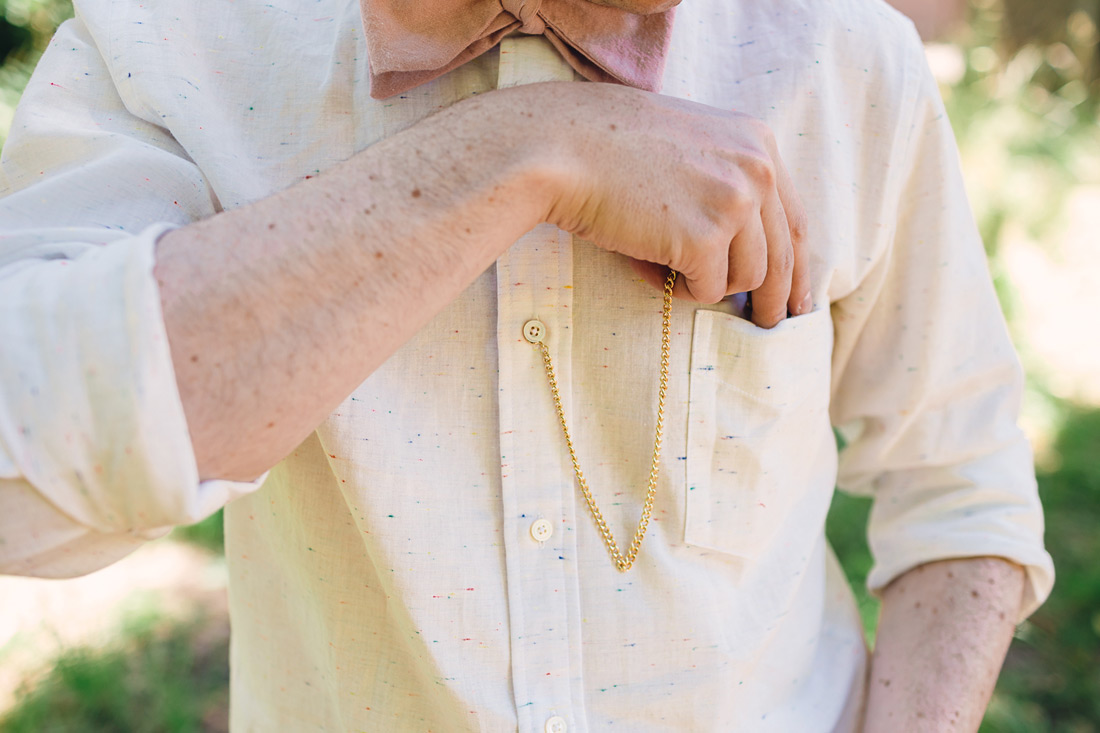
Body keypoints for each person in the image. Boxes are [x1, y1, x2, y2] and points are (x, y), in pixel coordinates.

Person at [0, 0, 1053, 730]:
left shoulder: (848, 55)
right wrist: (521, 153)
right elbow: (24, 493)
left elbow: (959, 488)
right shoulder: (177, 40)